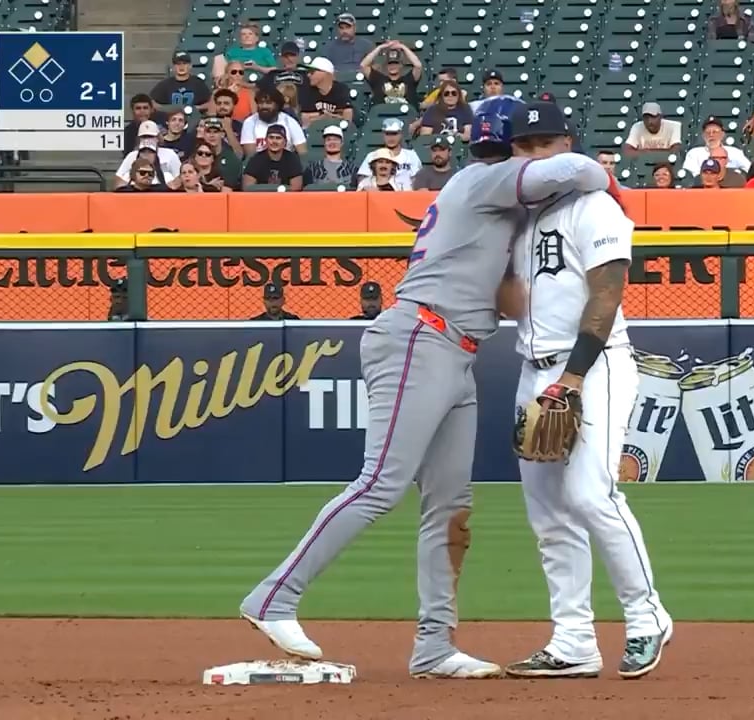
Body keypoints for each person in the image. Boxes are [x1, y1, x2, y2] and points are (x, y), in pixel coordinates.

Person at [239, 95, 624, 680]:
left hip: (455, 349)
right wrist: (600, 181)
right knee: (381, 483)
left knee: (450, 507)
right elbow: (579, 170)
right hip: (419, 336)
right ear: (509, 150)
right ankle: (275, 597)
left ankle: (435, 645)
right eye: (524, 145)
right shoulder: (484, 180)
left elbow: (510, 300)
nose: (529, 157)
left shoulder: (502, 213)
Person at [497, 101, 671, 681]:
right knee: (548, 514)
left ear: (567, 145)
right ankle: (573, 640)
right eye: (525, 145)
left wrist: (571, 377)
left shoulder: (594, 207)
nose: (536, 153)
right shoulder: (518, 220)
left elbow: (607, 294)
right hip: (533, 368)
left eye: (546, 143)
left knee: (591, 493)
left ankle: (647, 618)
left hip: (595, 367)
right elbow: (513, 306)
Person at [320, 13, 373, 78]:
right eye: (341, 28)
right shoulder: (328, 47)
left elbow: (374, 68)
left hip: (361, 80)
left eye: (348, 27)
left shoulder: (366, 45)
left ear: (355, 28)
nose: (344, 31)